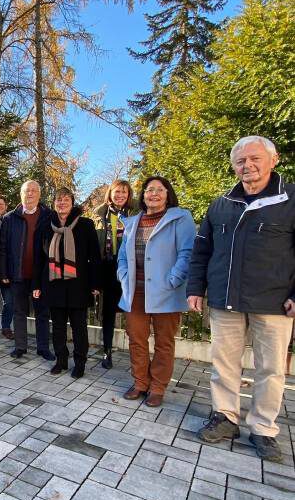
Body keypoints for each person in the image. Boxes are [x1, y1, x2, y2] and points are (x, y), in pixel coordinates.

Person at [188, 136, 295, 463]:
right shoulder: (221, 204)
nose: (247, 166)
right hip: (225, 299)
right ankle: (226, 417)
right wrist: (196, 288)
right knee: (223, 363)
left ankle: (263, 428)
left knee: (271, 368)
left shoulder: (290, 199)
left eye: (254, 158)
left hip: (274, 302)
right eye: (240, 161)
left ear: (272, 159)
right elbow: (202, 250)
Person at [117, 176, 195, 407]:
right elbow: (122, 256)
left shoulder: (181, 218)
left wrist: (174, 280)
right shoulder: (132, 222)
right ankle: (140, 382)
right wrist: (123, 278)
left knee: (164, 341)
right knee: (136, 339)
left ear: (167, 194)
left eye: (159, 190)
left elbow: (187, 252)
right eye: (149, 190)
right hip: (136, 291)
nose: (153, 194)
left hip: (166, 291)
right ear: (142, 196)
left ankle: (158, 387)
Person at [33, 188, 101, 378]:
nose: (61, 203)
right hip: (53, 284)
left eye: (65, 200)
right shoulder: (45, 225)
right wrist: (36, 285)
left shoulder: (85, 225)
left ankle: (80, 363)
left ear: (72, 202)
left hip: (78, 285)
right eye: (58, 200)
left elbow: (95, 257)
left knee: (79, 326)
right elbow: (39, 258)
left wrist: (95, 284)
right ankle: (61, 360)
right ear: (54, 203)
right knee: (58, 326)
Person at [0, 180, 53, 360]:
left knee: (42, 313)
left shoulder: (49, 216)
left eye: (33, 191)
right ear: (20, 194)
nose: (29, 194)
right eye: (26, 191)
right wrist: (4, 272)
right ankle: (20, 346)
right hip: (18, 274)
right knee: (19, 311)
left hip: (41, 275)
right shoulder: (9, 218)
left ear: (39, 194)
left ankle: (43, 347)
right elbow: (3, 248)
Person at [93, 179, 135, 369]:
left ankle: (136, 352)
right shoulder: (99, 215)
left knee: (133, 311)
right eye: (116, 192)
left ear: (129, 195)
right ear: (110, 193)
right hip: (107, 267)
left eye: (124, 192)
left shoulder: (136, 213)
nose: (120, 195)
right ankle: (107, 351)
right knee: (108, 311)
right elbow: (93, 246)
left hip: (131, 268)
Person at [0, 195, 14, 340]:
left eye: (1, 204)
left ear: (6, 206)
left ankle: (6, 327)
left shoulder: (11, 222)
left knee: (10, 302)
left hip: (6, 269)